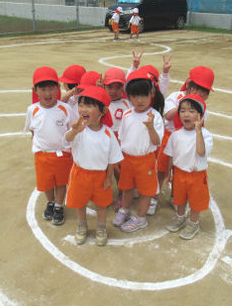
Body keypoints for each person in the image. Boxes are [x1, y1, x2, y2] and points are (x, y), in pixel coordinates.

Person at [64, 86, 123, 246]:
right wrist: (74, 131)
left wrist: (109, 177)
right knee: (80, 203)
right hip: (79, 174)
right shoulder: (78, 130)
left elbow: (112, 159)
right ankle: (82, 226)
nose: (83, 109)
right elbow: (66, 140)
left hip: (100, 176)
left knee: (102, 205)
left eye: (89, 105)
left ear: (102, 111)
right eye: (81, 105)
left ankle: (101, 228)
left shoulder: (108, 133)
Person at [24, 66, 78, 225]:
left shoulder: (65, 108)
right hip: (42, 154)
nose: (48, 93)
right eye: (43, 89)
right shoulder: (32, 110)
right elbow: (32, 131)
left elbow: (73, 129)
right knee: (46, 184)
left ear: (58, 88)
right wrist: (37, 147)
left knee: (61, 183)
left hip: (62, 154)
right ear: (35, 90)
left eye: (52, 88)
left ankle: (59, 205)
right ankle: (51, 202)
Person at [113, 70, 164, 233]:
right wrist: (119, 157)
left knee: (146, 191)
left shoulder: (155, 116)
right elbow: (121, 138)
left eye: (144, 95)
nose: (139, 100)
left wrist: (150, 127)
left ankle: (141, 218)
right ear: (129, 96)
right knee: (127, 187)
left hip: (145, 160)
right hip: (127, 159)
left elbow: (157, 142)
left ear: (152, 94)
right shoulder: (127, 114)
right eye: (135, 96)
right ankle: (124, 209)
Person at [164, 94, 213, 240]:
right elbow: (170, 155)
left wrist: (198, 131)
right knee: (179, 198)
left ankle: (193, 222)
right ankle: (180, 217)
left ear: (200, 115)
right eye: (183, 110)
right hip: (179, 173)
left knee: (196, 201)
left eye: (191, 111)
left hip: (196, 175)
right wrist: (169, 173)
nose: (186, 114)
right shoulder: (176, 135)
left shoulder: (205, 134)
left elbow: (200, 151)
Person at [103, 67, 130, 211]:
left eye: (118, 87)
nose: (113, 91)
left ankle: (122, 193)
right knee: (103, 169)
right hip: (103, 141)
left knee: (119, 170)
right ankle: (103, 194)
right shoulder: (100, 101)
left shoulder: (127, 104)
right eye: (109, 86)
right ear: (103, 85)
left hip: (120, 142)